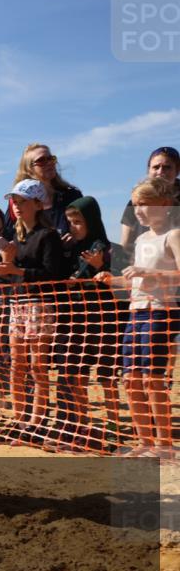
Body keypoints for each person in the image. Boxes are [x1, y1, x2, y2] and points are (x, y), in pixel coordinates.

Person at [98, 178, 179, 458]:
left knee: (152, 379)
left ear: (165, 204)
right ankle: (145, 442)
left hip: (161, 310)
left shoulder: (174, 235)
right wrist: (112, 280)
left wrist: (149, 273)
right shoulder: (142, 239)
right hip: (136, 311)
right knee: (131, 379)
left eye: (144, 203)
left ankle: (164, 445)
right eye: (135, 205)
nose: (138, 210)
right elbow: (136, 280)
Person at [0, 179, 68, 440]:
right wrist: (3, 268)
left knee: (37, 366)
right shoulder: (15, 237)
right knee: (17, 366)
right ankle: (20, 419)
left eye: (22, 201)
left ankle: (37, 421)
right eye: (15, 201)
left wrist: (16, 270)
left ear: (37, 204)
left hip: (40, 305)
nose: (17, 206)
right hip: (18, 304)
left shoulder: (48, 235)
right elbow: (10, 278)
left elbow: (53, 274)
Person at [53, 196, 120, 450]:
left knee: (106, 377)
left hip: (103, 321)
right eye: (70, 222)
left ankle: (114, 428)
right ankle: (82, 427)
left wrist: (102, 266)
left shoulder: (108, 248)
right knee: (77, 375)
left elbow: (121, 284)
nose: (73, 227)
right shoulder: (70, 249)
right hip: (75, 321)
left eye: (78, 222)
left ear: (91, 221)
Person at [4, 143, 82, 237]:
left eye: (51, 158)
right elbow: (7, 236)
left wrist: (74, 240)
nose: (49, 163)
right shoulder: (17, 201)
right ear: (29, 169)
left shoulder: (71, 196)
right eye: (41, 160)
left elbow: (88, 231)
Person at [120, 147, 180, 262]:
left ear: (177, 171)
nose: (160, 172)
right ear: (148, 170)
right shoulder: (135, 201)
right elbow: (125, 245)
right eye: (156, 167)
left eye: (167, 167)